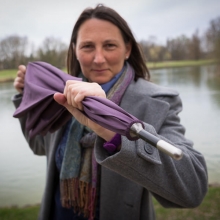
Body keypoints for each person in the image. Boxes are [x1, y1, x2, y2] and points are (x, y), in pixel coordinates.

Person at [12, 4, 208, 220]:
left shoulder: (158, 103)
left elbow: (193, 190)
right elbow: (40, 146)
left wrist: (113, 131)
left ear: (128, 49)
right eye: (87, 46)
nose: (98, 58)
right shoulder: (62, 95)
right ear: (75, 50)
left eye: (109, 45)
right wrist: (25, 97)